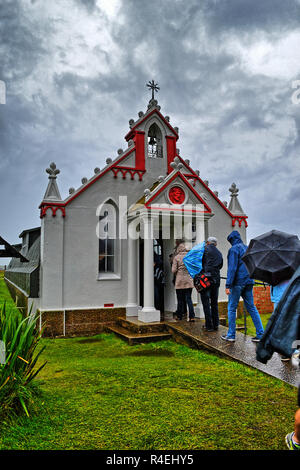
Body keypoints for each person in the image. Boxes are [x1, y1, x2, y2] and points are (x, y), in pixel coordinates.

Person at [221, 230, 264, 342]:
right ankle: (260, 334)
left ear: (231, 240)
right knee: (252, 308)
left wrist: (228, 285)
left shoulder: (233, 250)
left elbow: (232, 268)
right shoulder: (247, 248)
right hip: (249, 281)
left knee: (231, 308)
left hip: (237, 283)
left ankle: (231, 335)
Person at [200, 236, 223, 331]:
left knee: (206, 303)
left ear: (207, 242)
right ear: (215, 244)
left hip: (205, 279)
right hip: (216, 279)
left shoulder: (204, 250)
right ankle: (216, 324)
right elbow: (221, 265)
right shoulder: (219, 253)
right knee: (214, 303)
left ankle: (209, 325)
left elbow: (200, 262)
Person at [172, 242, 195, 322]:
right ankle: (192, 316)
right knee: (189, 298)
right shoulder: (190, 257)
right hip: (189, 280)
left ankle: (179, 316)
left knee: (180, 299)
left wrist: (177, 273)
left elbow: (173, 270)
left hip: (179, 280)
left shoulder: (176, 257)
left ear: (179, 249)